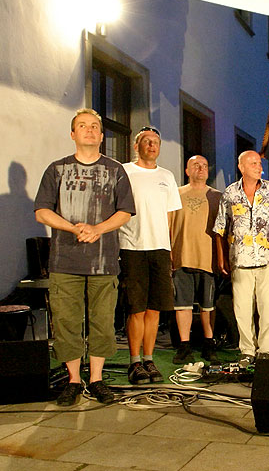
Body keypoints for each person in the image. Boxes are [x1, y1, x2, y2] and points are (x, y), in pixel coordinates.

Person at [34, 108, 135, 405]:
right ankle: (74, 380)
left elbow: (125, 211)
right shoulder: (56, 169)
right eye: (83, 126)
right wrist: (73, 227)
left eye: (94, 126)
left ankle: (97, 379)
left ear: (102, 136)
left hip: (104, 261)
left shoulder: (116, 170)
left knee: (102, 322)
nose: (89, 130)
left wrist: (98, 229)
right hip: (64, 261)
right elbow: (41, 210)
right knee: (66, 321)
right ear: (73, 134)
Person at [119, 126, 182, 384]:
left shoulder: (166, 176)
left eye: (155, 141)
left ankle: (149, 358)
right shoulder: (125, 172)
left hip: (159, 248)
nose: (151, 145)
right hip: (132, 246)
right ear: (137, 146)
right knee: (136, 308)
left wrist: (169, 249)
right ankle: (134, 361)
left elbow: (169, 216)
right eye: (146, 141)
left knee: (155, 308)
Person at [215, 150, 269, 368]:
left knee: (268, 308)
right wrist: (222, 258)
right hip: (241, 261)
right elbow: (220, 228)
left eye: (259, 162)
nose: (259, 166)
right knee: (242, 310)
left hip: (267, 261)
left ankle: (266, 350)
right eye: (253, 163)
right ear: (241, 167)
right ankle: (247, 351)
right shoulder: (229, 194)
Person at [169, 155, 222, 364]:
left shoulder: (217, 196)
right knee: (182, 305)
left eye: (205, 166)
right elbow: (168, 225)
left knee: (208, 305)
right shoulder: (175, 194)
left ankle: (209, 345)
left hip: (208, 259)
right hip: (182, 256)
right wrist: (169, 254)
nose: (200, 169)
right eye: (196, 165)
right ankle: (184, 346)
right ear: (187, 170)